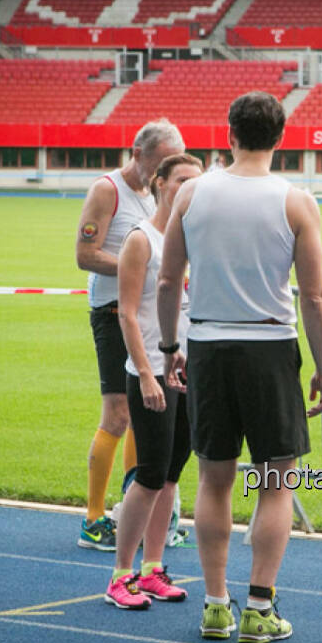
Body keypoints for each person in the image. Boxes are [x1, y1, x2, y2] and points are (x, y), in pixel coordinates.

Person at [157, 91, 322, 643]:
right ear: (280, 138)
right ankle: (259, 607)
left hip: (206, 341)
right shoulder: (296, 201)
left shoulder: (189, 193)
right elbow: (315, 295)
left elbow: (167, 281)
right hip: (269, 345)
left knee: (214, 479)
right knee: (277, 481)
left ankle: (214, 605)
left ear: (228, 132)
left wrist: (168, 347)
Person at [75, 119, 186, 553]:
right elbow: (85, 254)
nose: (163, 175)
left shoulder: (153, 195)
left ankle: (131, 513)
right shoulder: (108, 190)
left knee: (149, 416)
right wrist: (133, 267)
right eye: (160, 164)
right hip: (112, 312)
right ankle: (92, 519)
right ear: (138, 154)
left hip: (149, 317)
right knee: (118, 415)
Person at [103, 152, 203, 610]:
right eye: (181, 180)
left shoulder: (197, 239)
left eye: (196, 182)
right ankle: (121, 574)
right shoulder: (141, 240)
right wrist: (145, 373)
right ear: (160, 183)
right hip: (149, 373)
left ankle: (153, 569)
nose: (188, 188)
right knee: (148, 474)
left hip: (188, 372)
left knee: (170, 475)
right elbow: (125, 312)